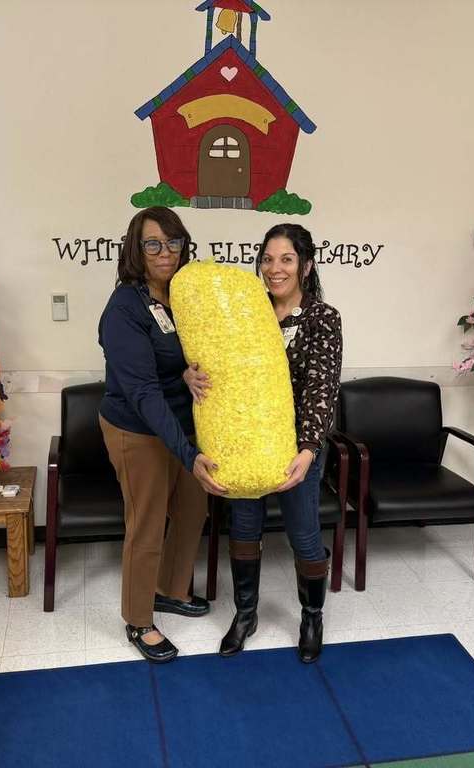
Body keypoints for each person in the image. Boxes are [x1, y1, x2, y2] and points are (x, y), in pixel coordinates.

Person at [184, 223, 343, 663]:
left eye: (286, 259)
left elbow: (322, 388)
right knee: (244, 528)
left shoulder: (321, 319)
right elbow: (213, 362)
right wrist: (189, 375)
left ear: (306, 266)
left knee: (304, 535)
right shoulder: (244, 312)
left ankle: (312, 616)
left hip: (299, 447)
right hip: (244, 442)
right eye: (268, 259)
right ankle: (246, 613)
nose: (275, 269)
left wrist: (308, 451)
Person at [98, 206, 227, 664]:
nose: (165, 253)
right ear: (137, 248)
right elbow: (143, 391)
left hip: (181, 422)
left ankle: (171, 590)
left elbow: (180, 360)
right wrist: (188, 454)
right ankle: (138, 618)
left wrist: (188, 377)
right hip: (136, 428)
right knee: (147, 523)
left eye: (173, 243)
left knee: (193, 511)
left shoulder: (183, 295)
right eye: (153, 244)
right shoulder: (124, 308)